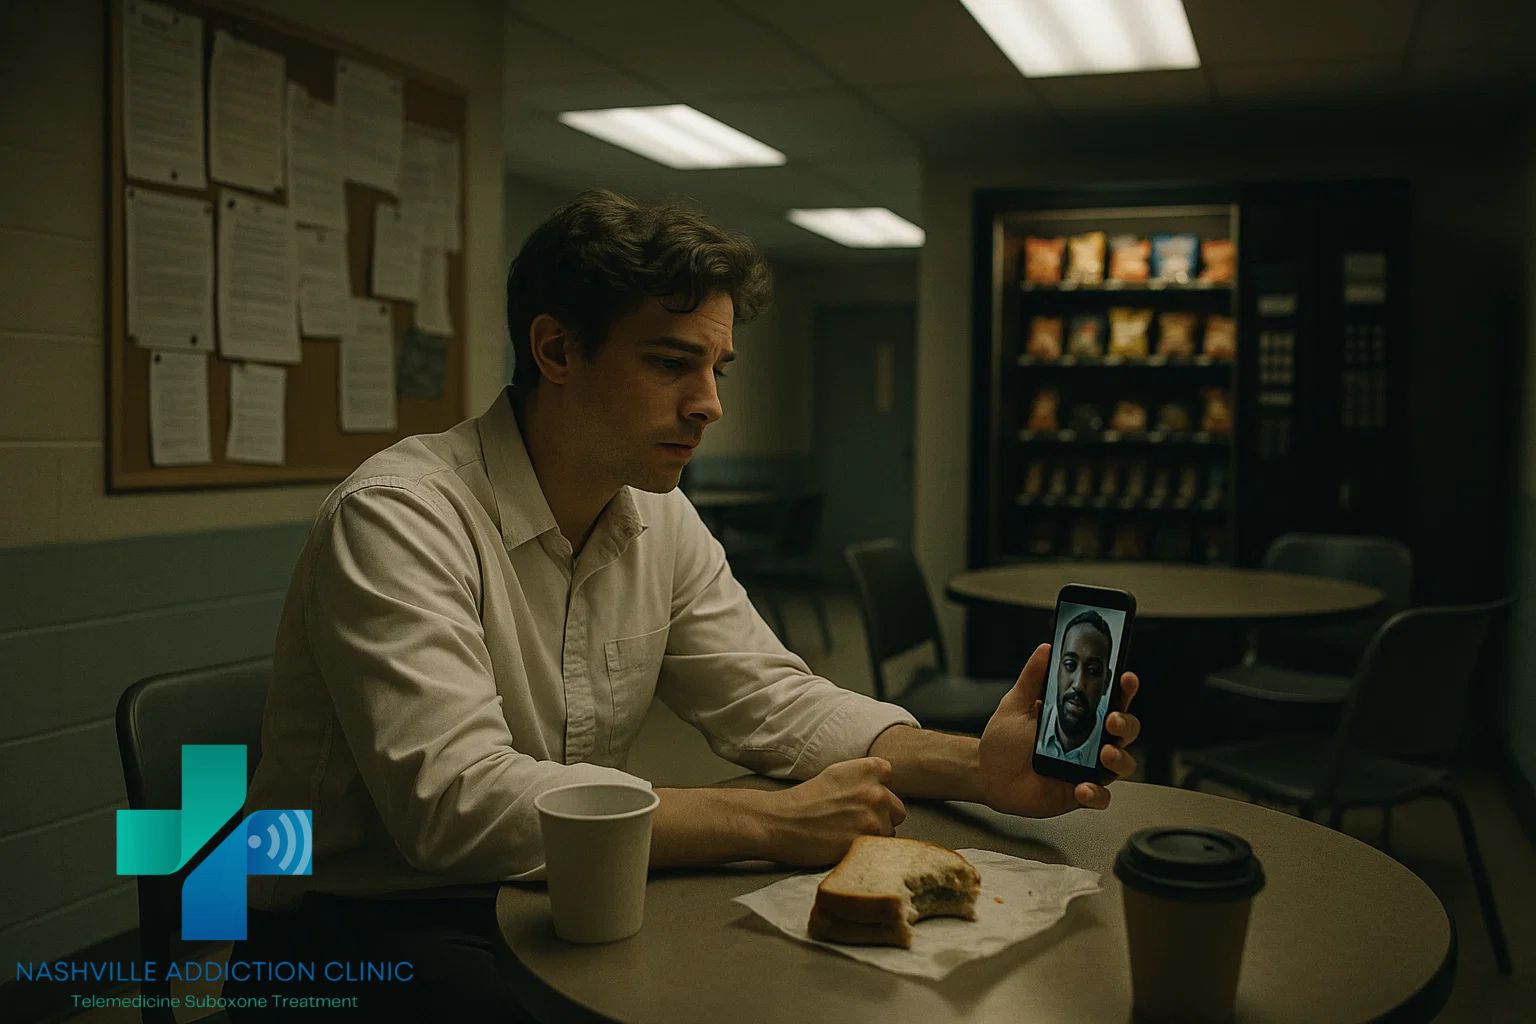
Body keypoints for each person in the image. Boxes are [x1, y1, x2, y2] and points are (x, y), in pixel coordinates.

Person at [226, 190, 1142, 1018]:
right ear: (555, 350)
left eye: (718, 369)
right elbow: (457, 805)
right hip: (353, 931)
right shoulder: (399, 516)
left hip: (545, 891)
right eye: (671, 363)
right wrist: (764, 822)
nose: (708, 406)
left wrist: (974, 767)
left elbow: (771, 699)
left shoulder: (655, 516)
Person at [1039, 610, 1116, 765]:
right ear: (1057, 669)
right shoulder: (1032, 727)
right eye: (1070, 665)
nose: (1078, 685)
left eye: (1093, 671)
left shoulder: (1110, 744)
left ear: (1106, 682)